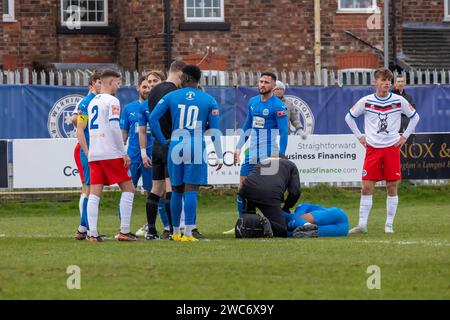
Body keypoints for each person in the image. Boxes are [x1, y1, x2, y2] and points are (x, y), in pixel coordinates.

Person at [149, 64, 224, 242]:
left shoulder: (171, 96)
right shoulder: (209, 100)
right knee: (191, 190)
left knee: (175, 190)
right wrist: (219, 154)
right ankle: (189, 233)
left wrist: (162, 139)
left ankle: (175, 232)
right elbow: (214, 131)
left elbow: (152, 118)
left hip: (175, 144)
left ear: (186, 78)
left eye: (182, 77)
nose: (180, 79)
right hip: (196, 145)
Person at [345, 68, 420, 234]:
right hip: (372, 148)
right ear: (375, 82)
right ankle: (362, 225)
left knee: (392, 186)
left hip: (391, 148)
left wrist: (405, 136)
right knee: (366, 187)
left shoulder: (399, 100)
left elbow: (415, 117)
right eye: (383, 80)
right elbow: (349, 117)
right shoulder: (366, 101)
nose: (386, 83)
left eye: (389, 80)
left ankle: (388, 225)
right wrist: (360, 136)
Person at [226, 72, 289, 234]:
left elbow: (284, 133)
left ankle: (272, 223)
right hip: (251, 152)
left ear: (273, 87)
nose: (262, 84)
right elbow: (247, 126)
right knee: (243, 188)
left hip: (269, 153)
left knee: (266, 191)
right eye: (261, 81)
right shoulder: (253, 102)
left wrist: (280, 155)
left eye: (266, 82)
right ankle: (243, 224)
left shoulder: (278, 107)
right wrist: (239, 147)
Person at [86, 69, 136, 242]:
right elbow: (115, 126)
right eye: (117, 83)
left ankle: (92, 233)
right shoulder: (112, 100)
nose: (118, 86)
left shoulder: (93, 102)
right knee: (129, 189)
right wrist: (123, 152)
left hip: (94, 153)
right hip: (110, 152)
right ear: (110, 82)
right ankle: (125, 230)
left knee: (94, 193)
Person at [140, 61, 188, 240]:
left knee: (155, 189)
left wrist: (159, 139)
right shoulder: (174, 92)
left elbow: (152, 118)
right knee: (170, 189)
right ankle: (171, 229)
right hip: (169, 143)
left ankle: (151, 230)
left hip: (157, 146)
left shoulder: (153, 91)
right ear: (180, 74)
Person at [134, 70, 172, 238]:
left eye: (154, 81)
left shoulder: (168, 98)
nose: (150, 85)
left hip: (161, 146)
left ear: (163, 82)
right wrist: (143, 152)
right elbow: (142, 131)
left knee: (161, 190)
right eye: (148, 82)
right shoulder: (145, 105)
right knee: (164, 189)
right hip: (162, 146)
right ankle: (164, 229)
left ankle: (166, 227)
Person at [238, 157, 301, 237]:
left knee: (250, 217)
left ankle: (245, 226)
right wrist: (286, 207)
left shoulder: (264, 161)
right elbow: (295, 192)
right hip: (269, 193)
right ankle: (264, 223)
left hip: (247, 189)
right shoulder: (291, 165)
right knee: (281, 229)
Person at [73, 70, 102, 240]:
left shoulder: (98, 102)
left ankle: (84, 228)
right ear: (92, 85)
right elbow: (78, 125)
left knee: (92, 191)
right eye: (99, 82)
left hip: (94, 151)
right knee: (89, 190)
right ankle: (84, 229)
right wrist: (87, 151)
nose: (102, 85)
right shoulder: (86, 103)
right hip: (87, 151)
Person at [284, 203, 349, 238]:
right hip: (343, 230)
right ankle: (307, 226)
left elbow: (297, 217)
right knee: (301, 233)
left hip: (337, 215)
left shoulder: (301, 207)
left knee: (296, 221)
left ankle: (306, 225)